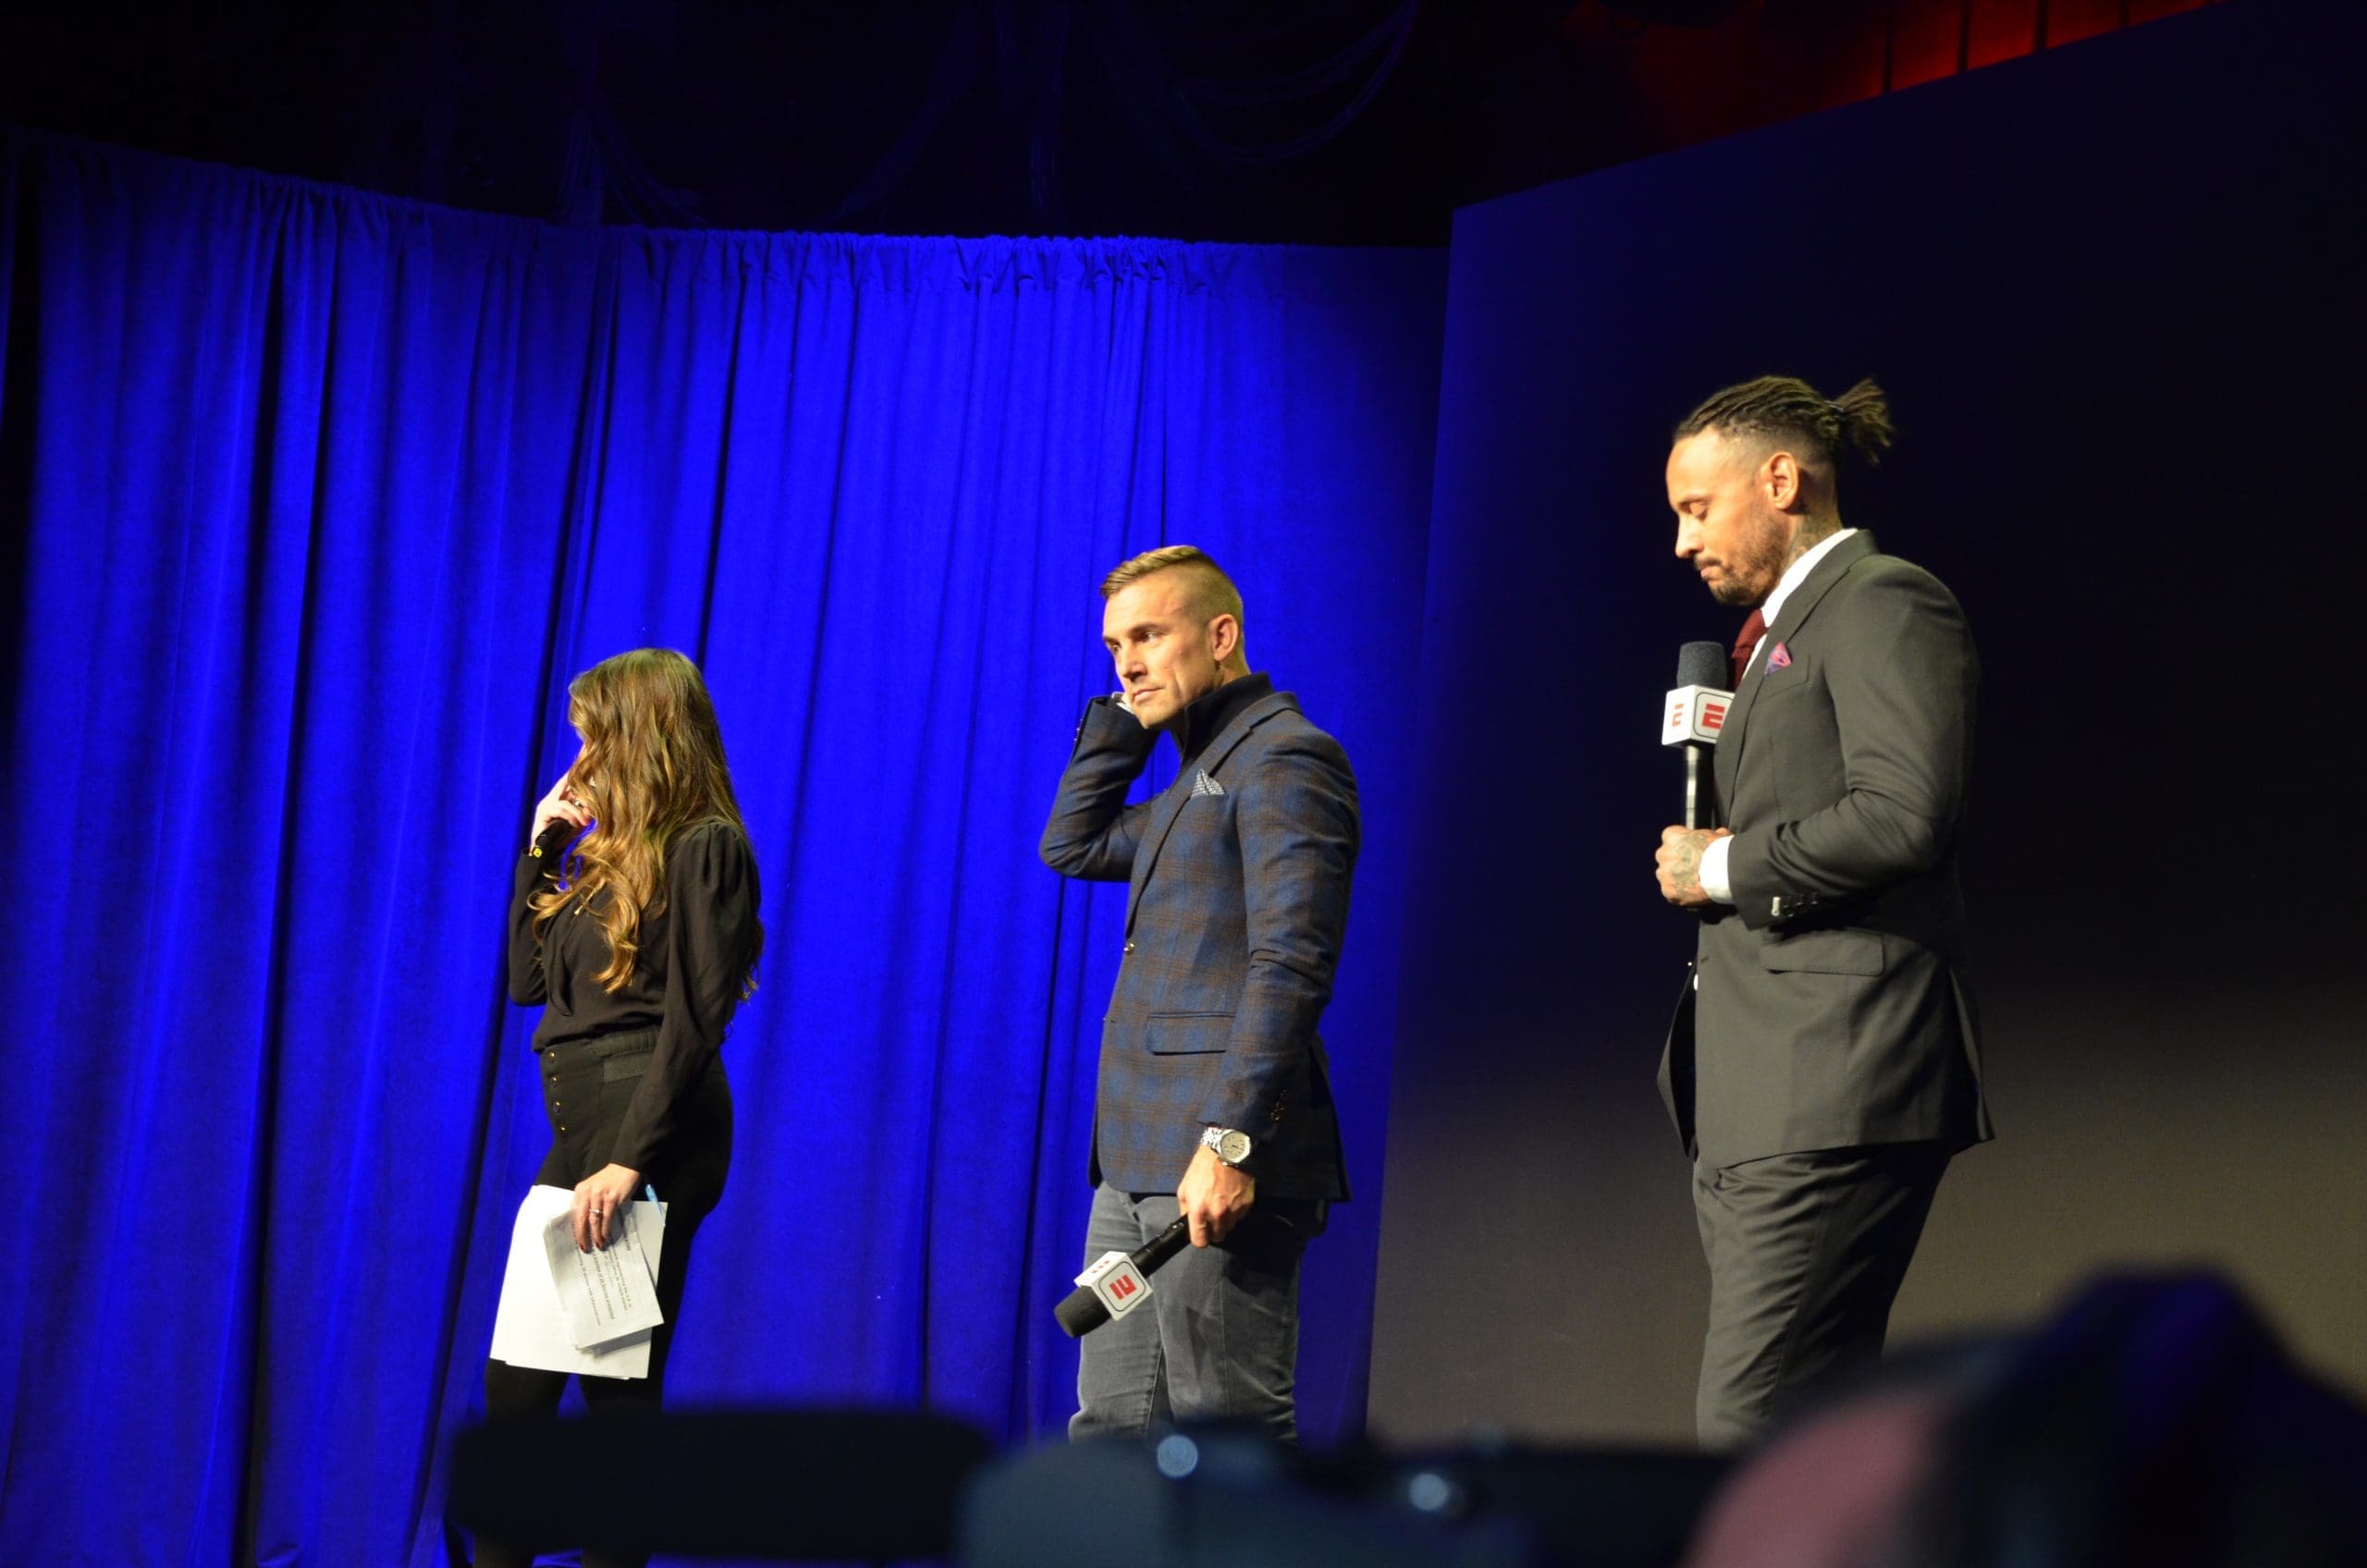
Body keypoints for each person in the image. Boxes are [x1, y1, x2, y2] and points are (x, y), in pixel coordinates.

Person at [1651, 375, 1991, 1452]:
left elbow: (1902, 816)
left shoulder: (1884, 600)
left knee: (1746, 1435)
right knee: (1808, 1441)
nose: (1679, 542)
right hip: (1761, 1090)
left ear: (1781, 479)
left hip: (1834, 1078)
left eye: (1695, 509)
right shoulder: (1775, 634)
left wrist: (1727, 868)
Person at [1040, 545, 1358, 1444]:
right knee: (1109, 1436)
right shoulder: (1197, 777)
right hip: (1136, 1159)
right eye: (1113, 645)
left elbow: (1290, 965)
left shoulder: (1286, 760)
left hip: (1216, 1159)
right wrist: (1130, 715)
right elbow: (1072, 843)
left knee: (1229, 1440)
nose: (1127, 660)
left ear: (1222, 636)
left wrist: (1229, 1140)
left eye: (1148, 635)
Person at [478, 647, 762, 1568]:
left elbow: (695, 1018)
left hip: (650, 1124)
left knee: (605, 1386)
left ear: (637, 732)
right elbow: (529, 985)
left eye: (593, 734)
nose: (582, 756)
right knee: (545, 1391)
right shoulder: (602, 862)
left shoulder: (704, 845)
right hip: (590, 1125)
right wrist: (541, 850)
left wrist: (630, 1158)